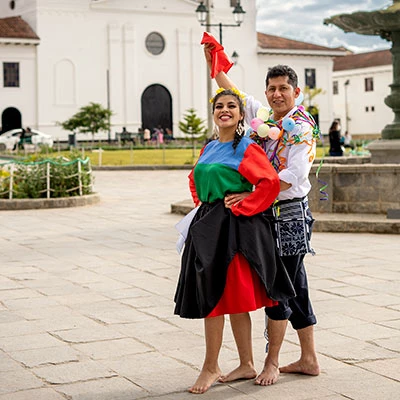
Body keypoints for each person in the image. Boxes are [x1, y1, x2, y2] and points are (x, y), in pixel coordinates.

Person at [204, 43, 320, 386]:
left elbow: (294, 176)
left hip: (289, 214)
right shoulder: (266, 117)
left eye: (284, 88)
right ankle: (309, 358)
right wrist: (212, 60)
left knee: (279, 286)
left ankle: (271, 362)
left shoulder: (301, 126)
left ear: (296, 92)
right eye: (271, 88)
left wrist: (255, 193)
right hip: (270, 212)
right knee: (295, 285)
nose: (276, 94)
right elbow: (233, 93)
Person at [174, 88, 295, 394]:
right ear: (213, 113)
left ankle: (212, 366)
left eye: (231, 106)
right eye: (219, 106)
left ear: (241, 115)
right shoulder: (210, 148)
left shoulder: (246, 148)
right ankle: (245, 364)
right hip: (209, 226)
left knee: (225, 297)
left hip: (235, 230)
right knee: (217, 294)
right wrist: (207, 204)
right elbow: (195, 179)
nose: (224, 110)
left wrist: (246, 200)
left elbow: (268, 182)